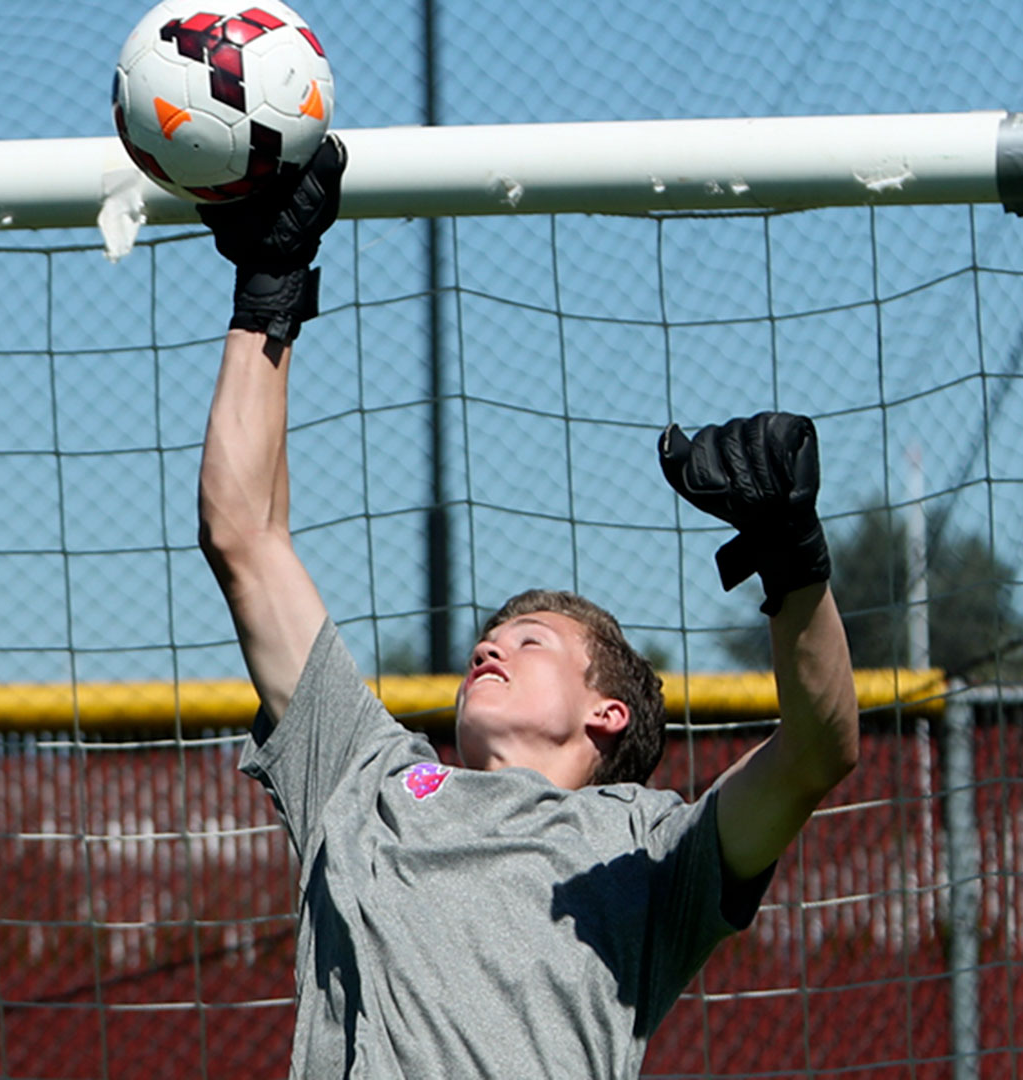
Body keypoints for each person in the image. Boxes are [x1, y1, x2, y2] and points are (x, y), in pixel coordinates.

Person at [195, 136, 859, 1079]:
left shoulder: (646, 851)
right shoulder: (366, 779)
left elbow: (820, 748)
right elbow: (244, 541)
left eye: (529, 640)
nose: (485, 649)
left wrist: (792, 563)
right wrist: (268, 290)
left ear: (608, 712)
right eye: (490, 637)